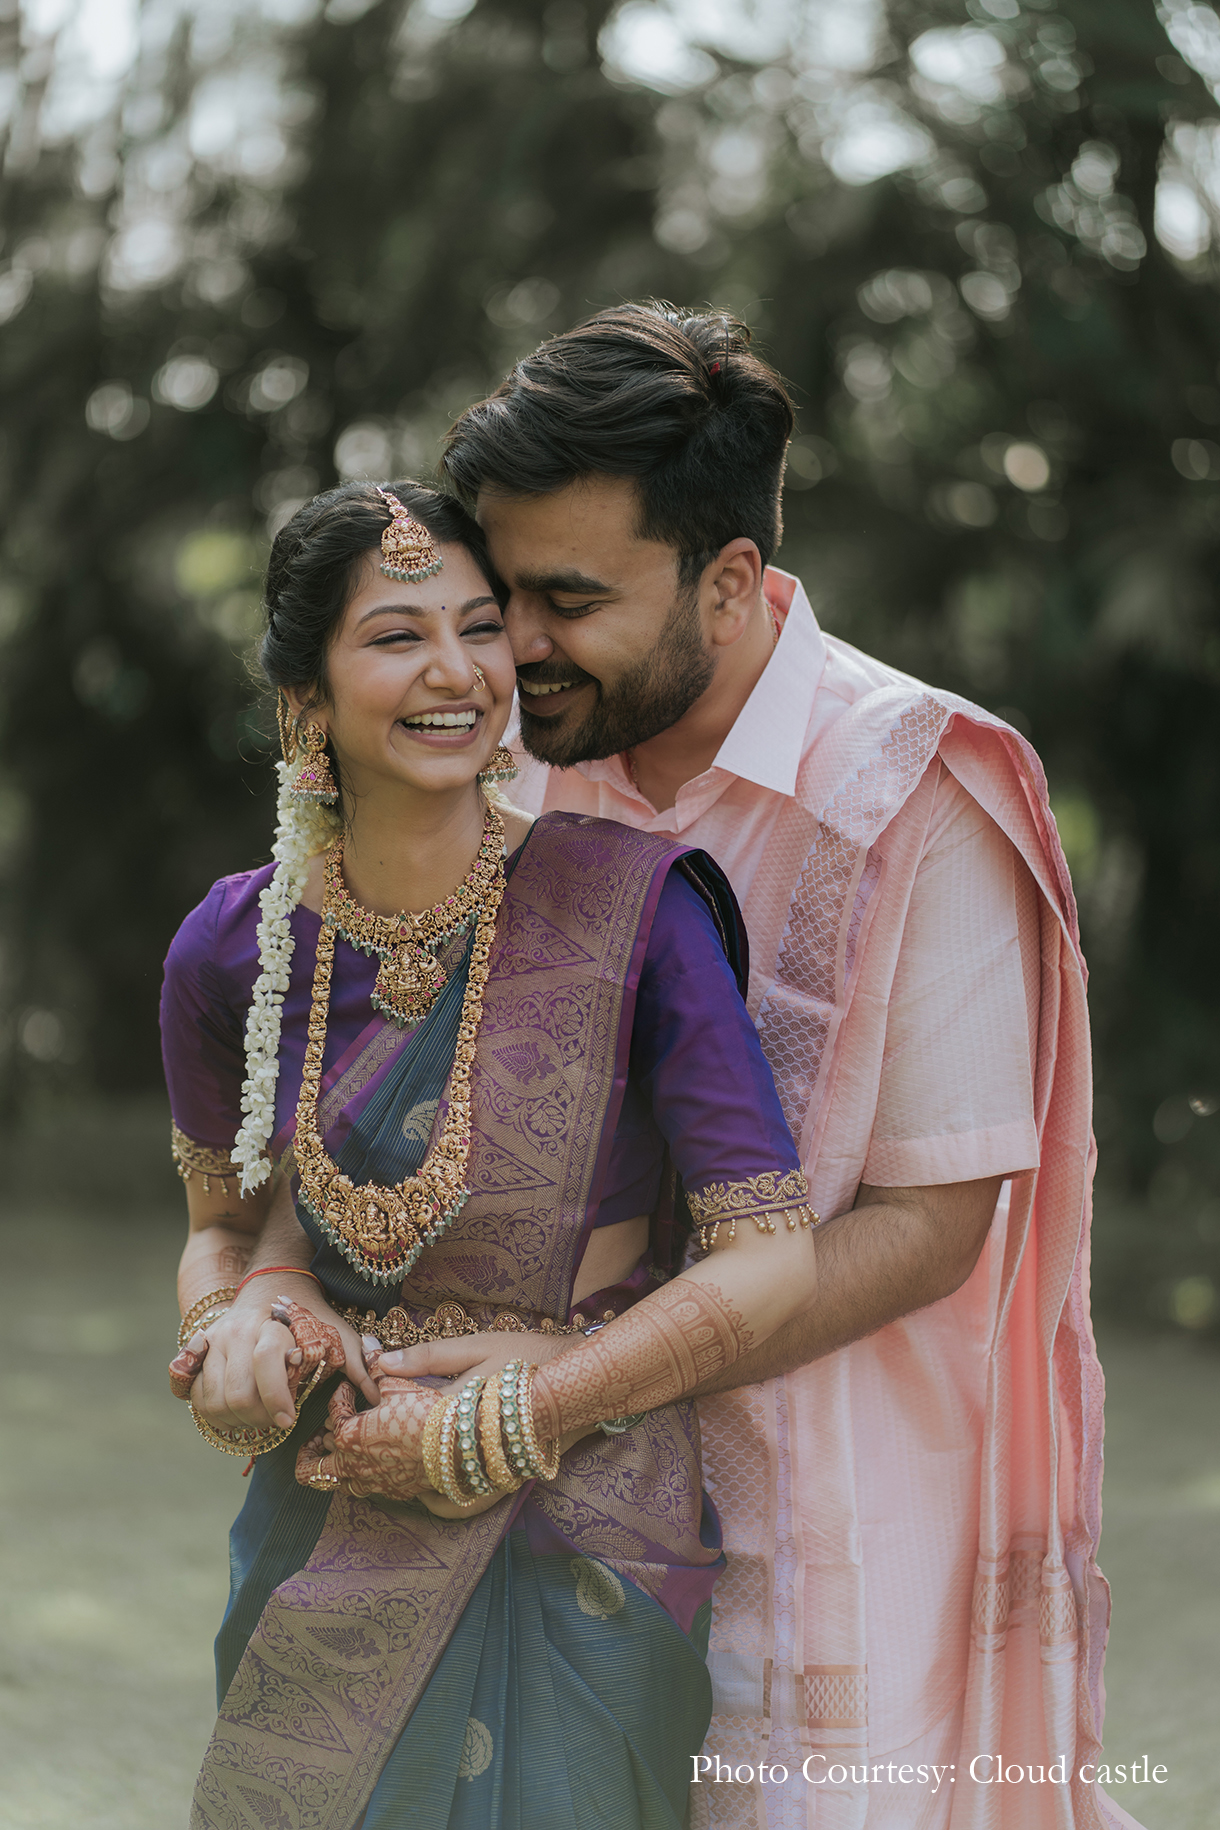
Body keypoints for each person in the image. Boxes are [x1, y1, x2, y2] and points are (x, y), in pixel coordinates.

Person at [344, 303, 1132, 1830]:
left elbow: (930, 1223)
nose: (516, 642)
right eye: (502, 590)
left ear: (727, 577)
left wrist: (559, 1387)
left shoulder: (919, 795)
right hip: (529, 1546)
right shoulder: (503, 763)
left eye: (570, 598)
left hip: (828, 1544)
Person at [161, 478, 821, 1830]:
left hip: (577, 1503)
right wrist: (232, 1331)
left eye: (478, 628)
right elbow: (224, 1228)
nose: (458, 671)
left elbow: (771, 1254)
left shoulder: (631, 908)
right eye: (397, 636)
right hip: (330, 1510)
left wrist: (518, 1415)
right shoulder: (235, 948)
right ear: (305, 694)